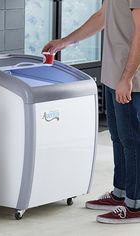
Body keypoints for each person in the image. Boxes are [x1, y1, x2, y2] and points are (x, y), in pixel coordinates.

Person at [42, 0, 140, 224]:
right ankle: (121, 193)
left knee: (132, 141)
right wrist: (64, 42)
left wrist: (127, 78)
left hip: (130, 79)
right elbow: (102, 16)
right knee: (118, 138)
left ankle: (135, 204)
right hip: (114, 73)